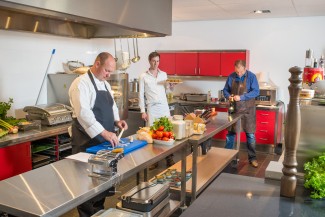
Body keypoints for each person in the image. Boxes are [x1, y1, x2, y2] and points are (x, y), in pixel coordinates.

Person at [69, 52, 128, 216]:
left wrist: (117, 121)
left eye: (111, 72)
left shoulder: (105, 83)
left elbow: (112, 106)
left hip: (103, 142)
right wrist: (104, 132)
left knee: (102, 181)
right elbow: (84, 114)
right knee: (85, 185)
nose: (108, 75)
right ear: (97, 64)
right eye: (107, 71)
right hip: (86, 142)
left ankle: (99, 212)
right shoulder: (81, 83)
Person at [139, 51, 174, 169]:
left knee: (167, 133)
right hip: (152, 108)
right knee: (154, 134)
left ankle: (169, 158)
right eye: (154, 61)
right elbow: (140, 95)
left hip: (164, 107)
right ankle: (154, 160)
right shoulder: (143, 76)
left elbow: (168, 91)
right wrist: (143, 111)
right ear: (149, 61)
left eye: (158, 61)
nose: (156, 63)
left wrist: (171, 87)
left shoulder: (163, 74)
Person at [223, 60, 260, 168]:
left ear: (245, 68)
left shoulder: (252, 77)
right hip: (234, 109)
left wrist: (242, 97)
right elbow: (225, 90)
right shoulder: (231, 77)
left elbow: (256, 91)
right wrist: (228, 96)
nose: (238, 74)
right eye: (236, 72)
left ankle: (252, 158)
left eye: (240, 72)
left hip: (248, 110)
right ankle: (226, 158)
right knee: (230, 134)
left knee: (250, 135)